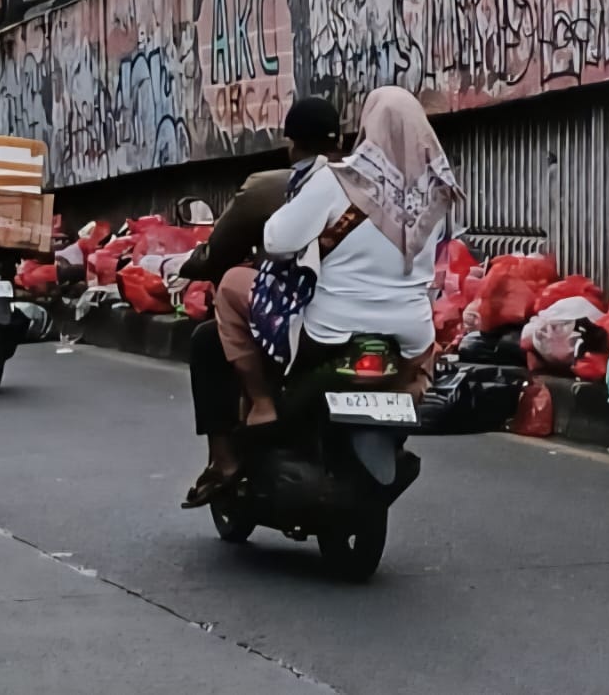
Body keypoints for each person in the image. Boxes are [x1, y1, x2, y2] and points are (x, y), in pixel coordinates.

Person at [213, 85, 460, 431]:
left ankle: (262, 404)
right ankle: (409, 394)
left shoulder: (336, 180)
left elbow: (277, 241)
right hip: (411, 331)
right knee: (419, 371)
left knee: (230, 285)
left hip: (331, 328)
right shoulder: (437, 194)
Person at [181, 95, 344, 509]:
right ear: (340, 140)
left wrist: (193, 264)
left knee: (206, 340)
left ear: (291, 144)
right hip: (374, 317)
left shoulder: (271, 188)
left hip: (309, 318)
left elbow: (219, 252)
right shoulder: (376, 188)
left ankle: (226, 458)